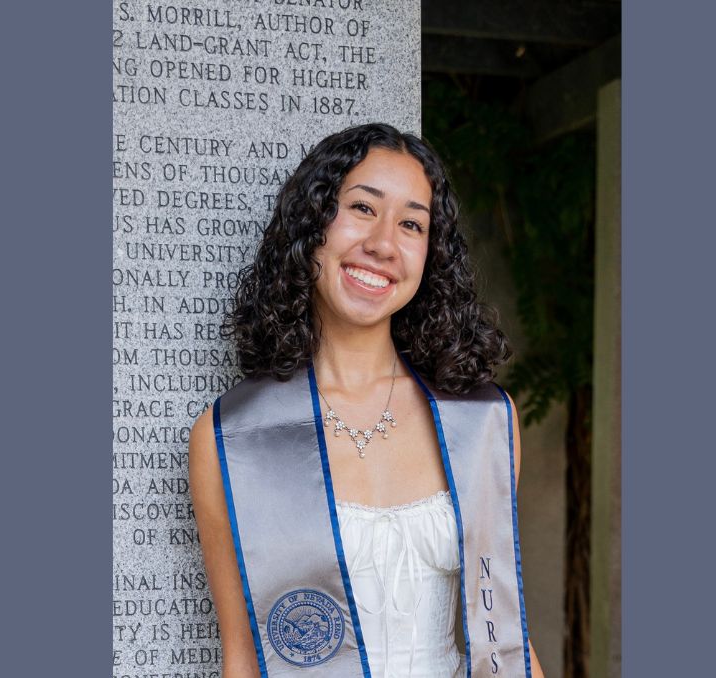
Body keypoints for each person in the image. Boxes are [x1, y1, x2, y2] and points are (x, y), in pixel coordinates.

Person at [189, 123, 546, 677]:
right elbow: (242, 658)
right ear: (312, 226)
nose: (383, 243)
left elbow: (506, 643)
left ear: (430, 254)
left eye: (411, 224)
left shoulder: (483, 423)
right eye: (361, 207)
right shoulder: (233, 438)